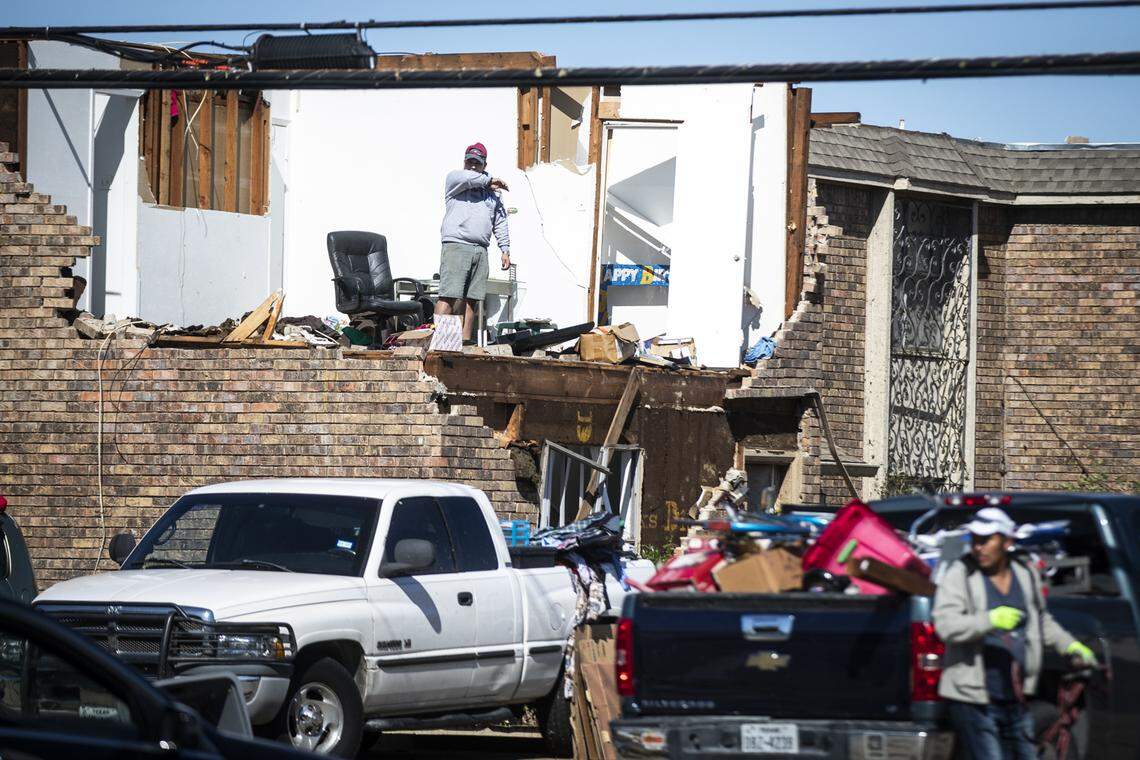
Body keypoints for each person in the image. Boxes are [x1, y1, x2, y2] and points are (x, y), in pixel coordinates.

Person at [932, 507, 1097, 760]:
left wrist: (1071, 646)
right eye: (975, 540)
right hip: (974, 696)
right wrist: (989, 620)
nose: (978, 547)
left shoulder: (1025, 573)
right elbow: (945, 625)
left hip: (1016, 695)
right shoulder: (961, 574)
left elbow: (1040, 620)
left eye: (986, 540)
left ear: (1007, 541)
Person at [436, 142, 511, 344]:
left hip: (481, 249)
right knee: (449, 296)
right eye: (469, 161)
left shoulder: (494, 194)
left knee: (472, 300)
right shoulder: (456, 180)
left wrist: (505, 249)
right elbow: (466, 177)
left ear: (484, 165)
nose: (472, 166)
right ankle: (440, 345)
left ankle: (465, 343)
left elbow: (500, 221)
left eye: (477, 163)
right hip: (457, 245)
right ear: (464, 161)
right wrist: (489, 180)